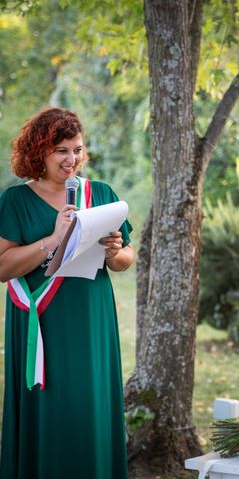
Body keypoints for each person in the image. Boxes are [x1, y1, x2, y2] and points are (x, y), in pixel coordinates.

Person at [0, 107, 134, 478]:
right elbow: (2, 266)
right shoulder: (15, 201)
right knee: (52, 406)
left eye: (77, 149)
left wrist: (115, 251)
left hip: (91, 319)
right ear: (38, 151)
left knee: (90, 405)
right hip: (42, 325)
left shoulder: (102, 193)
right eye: (61, 150)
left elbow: (126, 259)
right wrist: (53, 239)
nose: (71, 159)